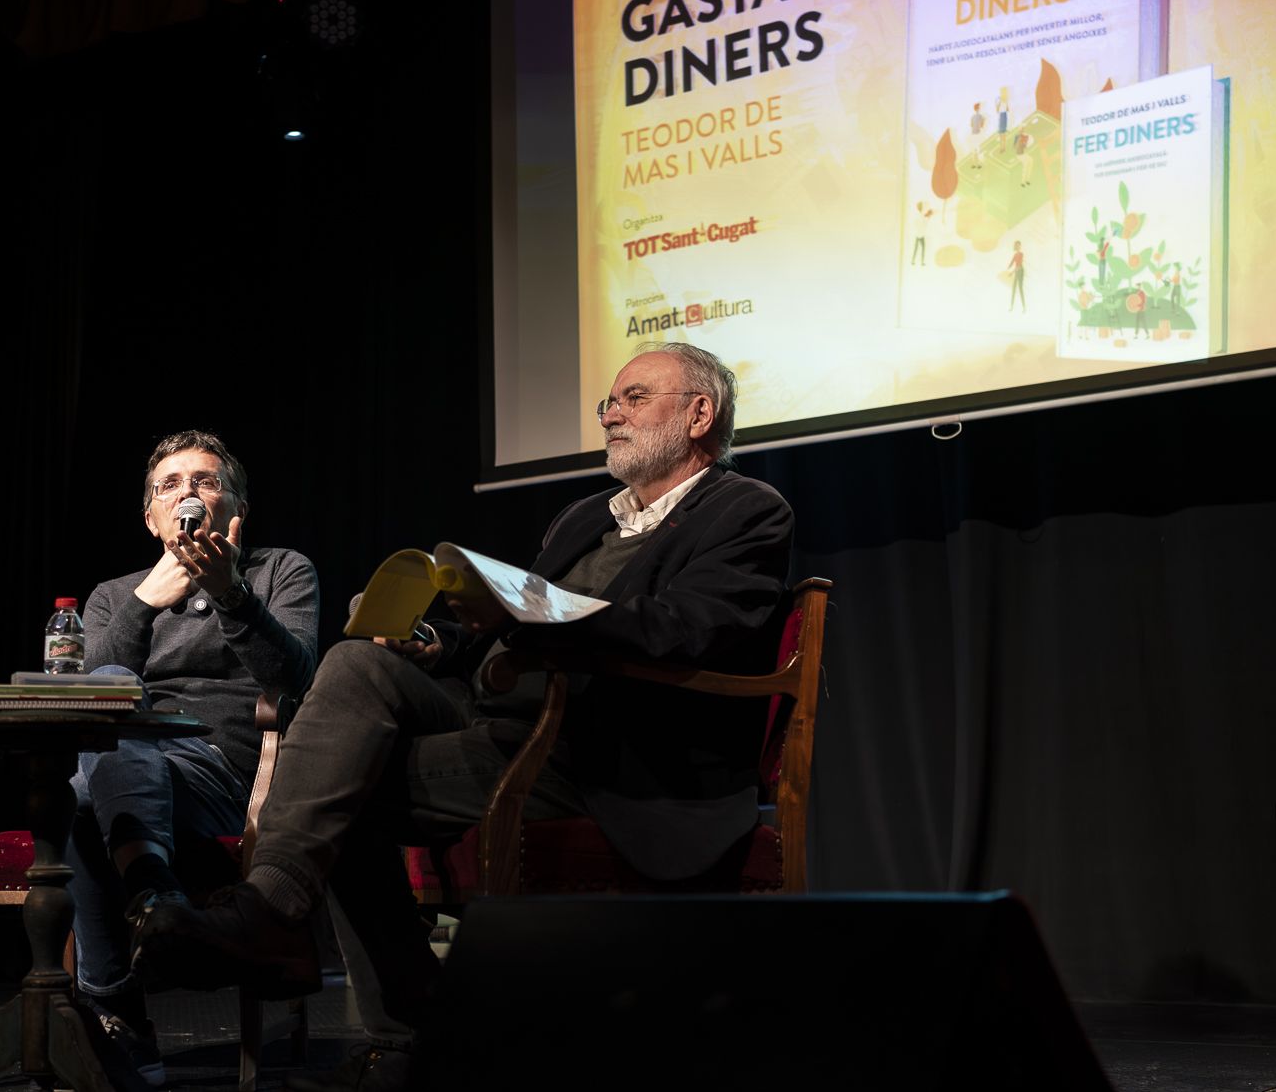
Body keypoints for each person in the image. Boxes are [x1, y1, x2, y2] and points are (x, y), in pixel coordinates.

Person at [127, 345, 793, 1090]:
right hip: (507, 721)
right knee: (355, 662)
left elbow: (691, 629)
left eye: (633, 397)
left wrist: (555, 617)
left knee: (344, 794)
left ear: (700, 413)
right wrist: (440, 640)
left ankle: (392, 1024)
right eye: (609, 400)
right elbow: (510, 636)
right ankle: (279, 914)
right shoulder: (585, 518)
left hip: (614, 752)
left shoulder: (746, 510)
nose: (610, 413)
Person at [69, 430, 320, 1086]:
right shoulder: (113, 594)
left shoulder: (280, 570)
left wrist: (233, 593)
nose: (188, 493)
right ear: (151, 517)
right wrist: (146, 600)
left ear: (236, 503)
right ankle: (156, 899)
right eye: (170, 485)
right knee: (99, 732)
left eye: (206, 481)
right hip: (132, 762)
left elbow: (295, 679)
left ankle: (111, 1006)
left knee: (82, 785)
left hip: (224, 766)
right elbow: (91, 681)